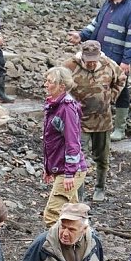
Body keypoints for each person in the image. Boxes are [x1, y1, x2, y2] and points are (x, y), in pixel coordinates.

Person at [67, 0, 131, 141]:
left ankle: (120, 128)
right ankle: (92, 124)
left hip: (116, 58)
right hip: (99, 55)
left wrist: (126, 61)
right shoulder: (107, 4)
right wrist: (81, 35)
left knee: (120, 89)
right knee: (94, 87)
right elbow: (95, 23)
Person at [62, 41, 126, 202]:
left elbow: (121, 78)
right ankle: (78, 192)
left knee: (102, 157)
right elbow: (58, 85)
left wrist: (111, 97)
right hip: (79, 121)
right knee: (76, 157)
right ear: (82, 56)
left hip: (103, 120)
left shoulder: (108, 64)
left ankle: (100, 187)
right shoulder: (69, 66)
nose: (91, 63)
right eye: (88, 59)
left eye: (94, 59)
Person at [42, 66, 88, 227]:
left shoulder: (66, 109)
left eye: (50, 82)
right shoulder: (54, 105)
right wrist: (48, 168)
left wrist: (69, 174)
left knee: (53, 215)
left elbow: (72, 143)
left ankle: (54, 249)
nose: (46, 85)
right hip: (62, 168)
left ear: (62, 86)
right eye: (46, 81)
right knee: (74, 214)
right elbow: (51, 142)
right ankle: (82, 245)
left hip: (70, 170)